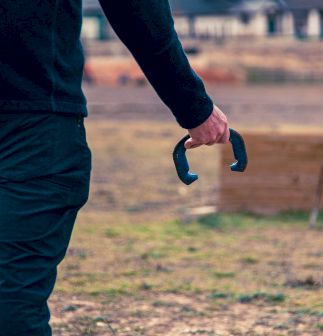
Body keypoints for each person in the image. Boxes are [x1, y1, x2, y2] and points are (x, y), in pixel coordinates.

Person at [0, 1, 229, 335]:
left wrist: (192, 105)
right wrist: (194, 107)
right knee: (11, 298)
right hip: (32, 123)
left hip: (30, 117)